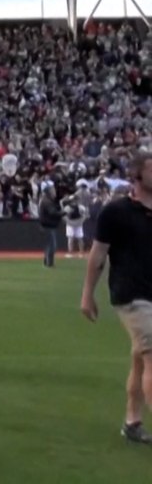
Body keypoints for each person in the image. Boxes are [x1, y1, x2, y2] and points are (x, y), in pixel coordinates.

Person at [82, 153, 152, 444]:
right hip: (132, 295)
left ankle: (132, 423)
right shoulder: (116, 212)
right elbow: (98, 255)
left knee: (140, 360)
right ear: (136, 176)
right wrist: (88, 294)